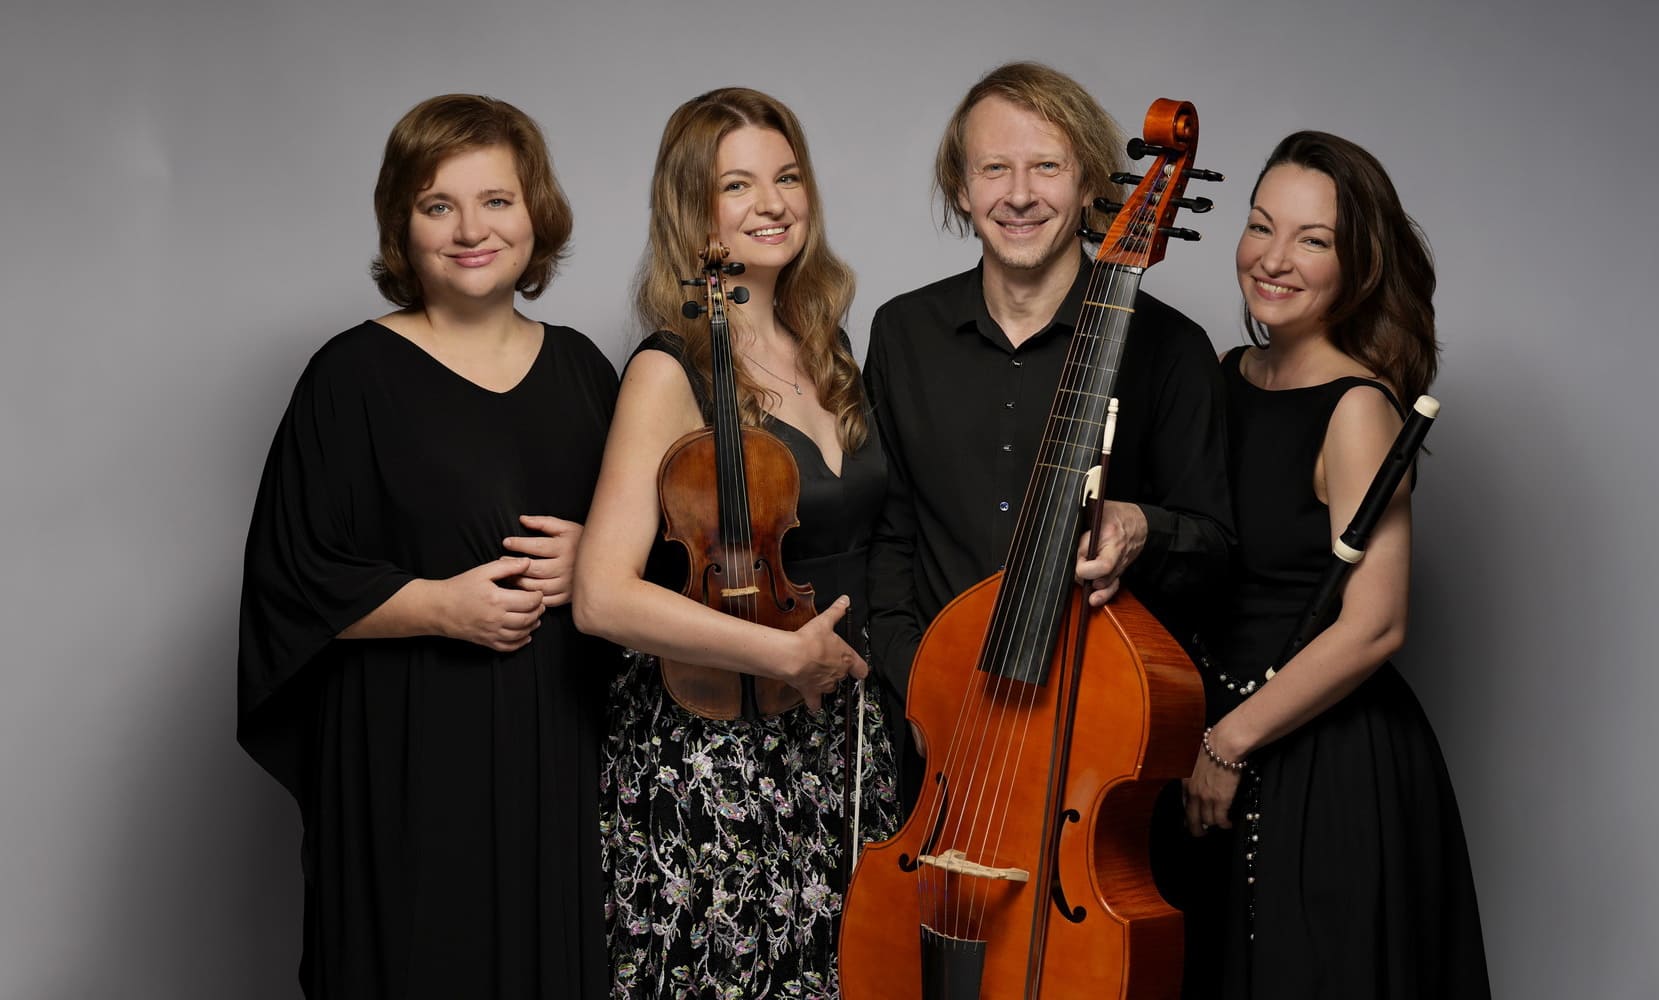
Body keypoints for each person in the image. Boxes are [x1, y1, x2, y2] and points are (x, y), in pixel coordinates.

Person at [236, 94, 617, 998]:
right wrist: (443, 606)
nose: (471, 230)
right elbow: (290, 577)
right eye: (438, 205)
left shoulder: (585, 370)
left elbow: (654, 556)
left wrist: (593, 561)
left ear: (536, 213)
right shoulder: (348, 376)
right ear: (402, 228)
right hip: (407, 747)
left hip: (556, 745)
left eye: (496, 200)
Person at [863, 61, 1233, 915]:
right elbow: (890, 538)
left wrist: (1143, 528)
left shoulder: (1172, 348)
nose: (1020, 194)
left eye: (1047, 167)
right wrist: (921, 686)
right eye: (995, 168)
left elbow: (1219, 552)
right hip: (943, 749)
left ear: (1091, 182)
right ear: (961, 188)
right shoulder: (903, 331)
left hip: (1097, 750)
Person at [572, 87, 898, 999]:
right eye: (738, 185)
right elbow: (601, 596)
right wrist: (781, 653)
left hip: (842, 734)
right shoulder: (669, 369)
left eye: (787, 178)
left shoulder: (827, 346)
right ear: (694, 210)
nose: (773, 203)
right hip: (718, 744)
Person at [1185, 130, 1490, 997]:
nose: (1273, 259)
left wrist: (1229, 743)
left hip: (1320, 760)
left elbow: (1377, 625)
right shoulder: (1223, 374)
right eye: (1260, 226)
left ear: (1357, 266)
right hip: (1213, 735)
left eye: (1312, 240)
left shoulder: (1359, 408)